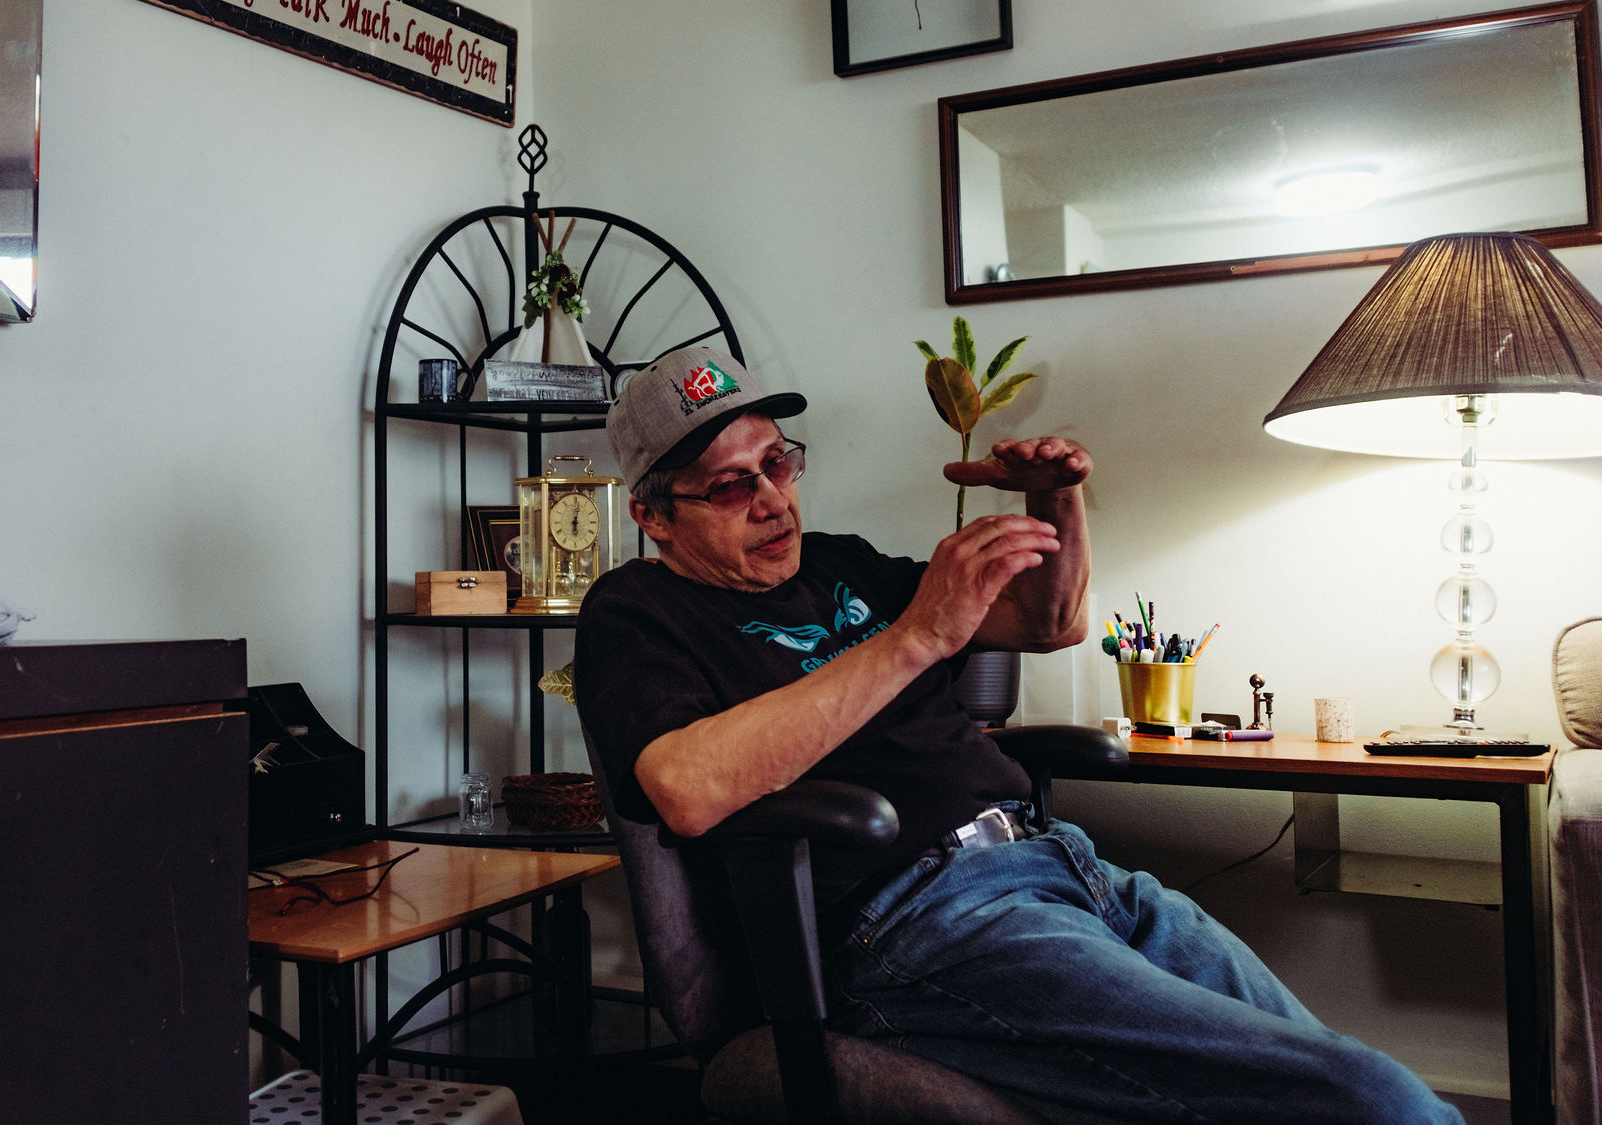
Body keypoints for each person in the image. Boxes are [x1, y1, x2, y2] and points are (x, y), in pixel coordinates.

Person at [576, 345, 1460, 1125]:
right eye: (731, 484)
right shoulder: (636, 613)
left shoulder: (841, 562)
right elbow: (685, 789)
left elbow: (1048, 620)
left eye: (779, 463)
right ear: (655, 516)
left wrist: (1056, 499)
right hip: (916, 921)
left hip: (1069, 869)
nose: (772, 501)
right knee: (1372, 1102)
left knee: (1321, 1066)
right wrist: (914, 635)